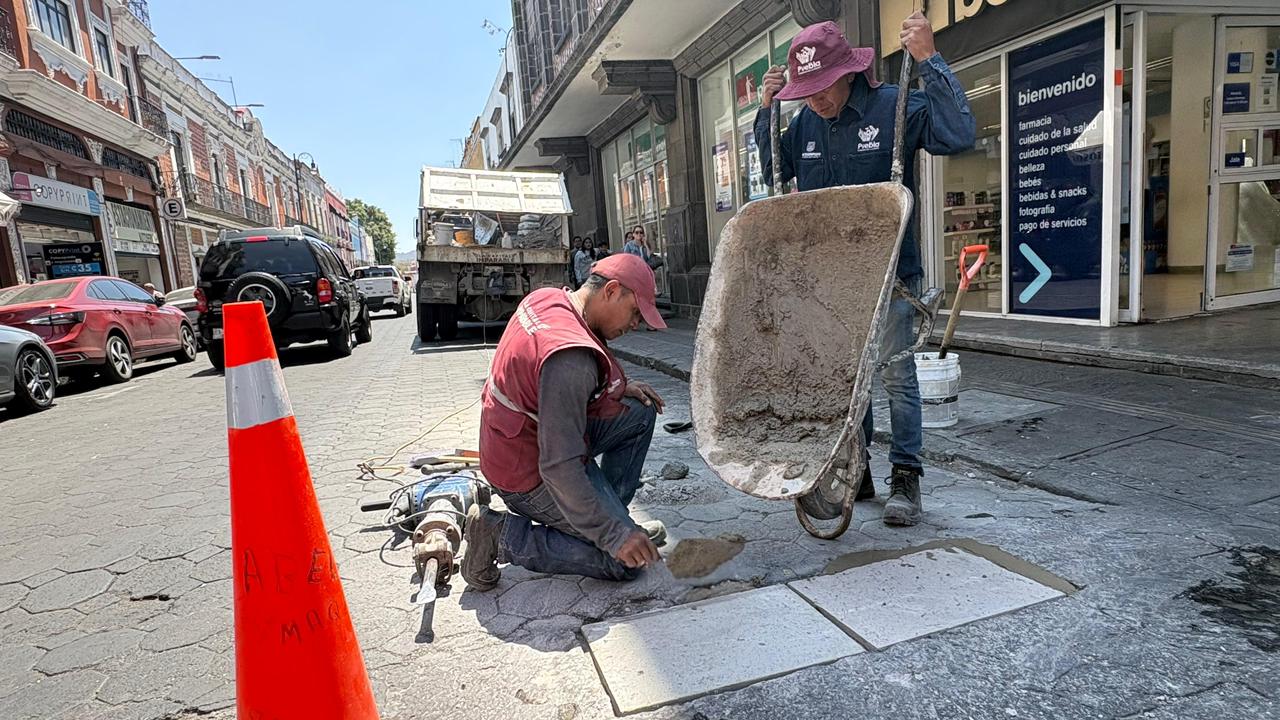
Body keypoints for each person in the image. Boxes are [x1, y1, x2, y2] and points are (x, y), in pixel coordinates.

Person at [757, 15, 975, 526]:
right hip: (831, 284)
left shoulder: (893, 106)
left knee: (897, 377)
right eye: (804, 90)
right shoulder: (805, 123)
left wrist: (930, 61)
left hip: (892, 274)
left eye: (822, 86)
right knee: (846, 381)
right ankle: (858, 470)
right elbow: (772, 171)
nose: (814, 99)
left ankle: (907, 478)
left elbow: (958, 131)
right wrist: (765, 114)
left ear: (849, 72)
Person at [463, 253, 669, 588]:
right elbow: (559, 465)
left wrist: (617, 389)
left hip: (525, 440)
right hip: (527, 474)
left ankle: (612, 517)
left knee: (639, 411)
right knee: (622, 563)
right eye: (635, 313)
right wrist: (612, 535)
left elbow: (549, 388)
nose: (635, 325)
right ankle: (498, 534)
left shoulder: (549, 299)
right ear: (612, 290)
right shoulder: (570, 360)